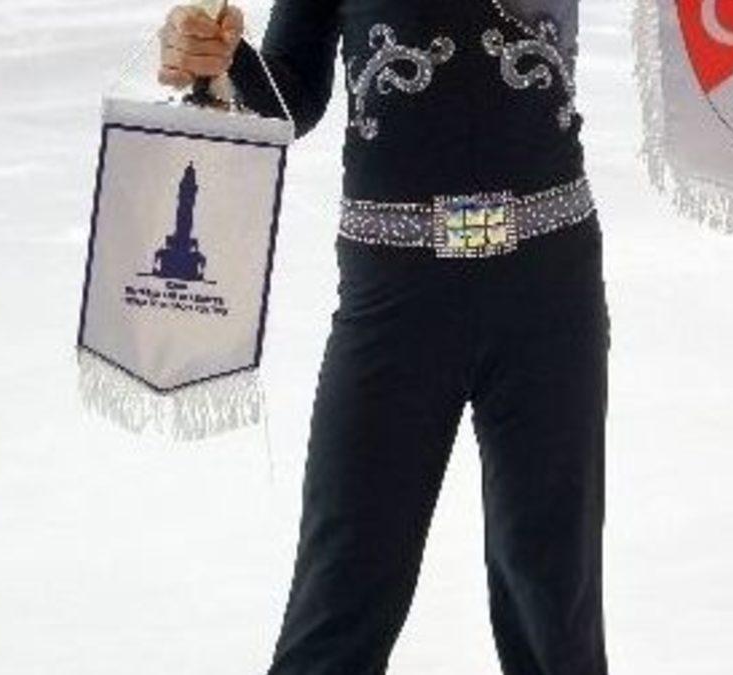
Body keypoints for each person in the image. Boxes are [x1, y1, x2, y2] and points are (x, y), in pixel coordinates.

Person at [158, 1, 611, 673]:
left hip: (548, 292)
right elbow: (292, 97)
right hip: (394, 301)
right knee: (344, 587)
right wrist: (224, 60)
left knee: (552, 597)